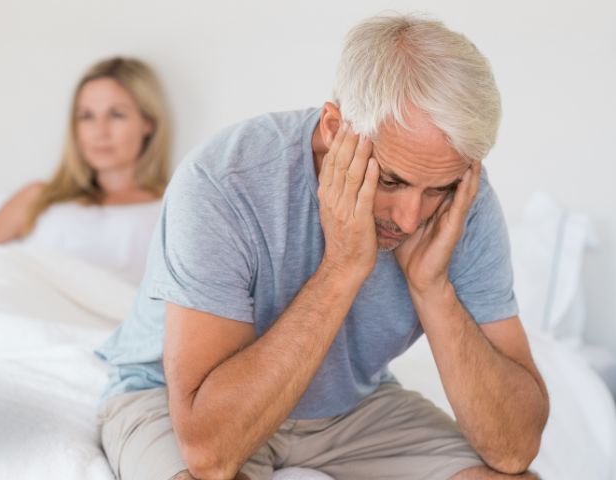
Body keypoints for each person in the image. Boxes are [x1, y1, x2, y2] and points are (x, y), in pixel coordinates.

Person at [95, 14, 548, 480]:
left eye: (437, 189)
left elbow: (514, 450)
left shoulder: (463, 200)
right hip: (175, 399)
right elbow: (210, 452)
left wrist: (433, 289)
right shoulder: (223, 181)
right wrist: (342, 268)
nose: (411, 218)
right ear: (334, 127)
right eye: (390, 180)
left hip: (349, 408)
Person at [0, 57, 170, 284]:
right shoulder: (38, 197)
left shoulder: (169, 209)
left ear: (149, 123)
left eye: (117, 115)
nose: (100, 131)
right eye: (87, 116)